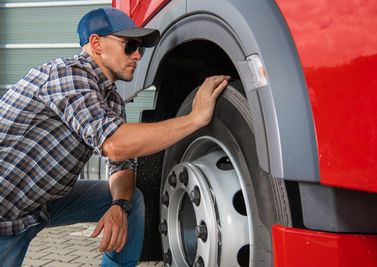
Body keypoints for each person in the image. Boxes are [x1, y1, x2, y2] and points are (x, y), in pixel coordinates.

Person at [0, 7, 230, 267]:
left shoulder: (111, 100)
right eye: (130, 45)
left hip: (42, 202)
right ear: (96, 44)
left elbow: (123, 164)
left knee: (133, 201)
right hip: (5, 212)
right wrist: (194, 119)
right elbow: (115, 145)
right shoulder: (67, 75)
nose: (137, 56)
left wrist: (119, 205)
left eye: (140, 49)